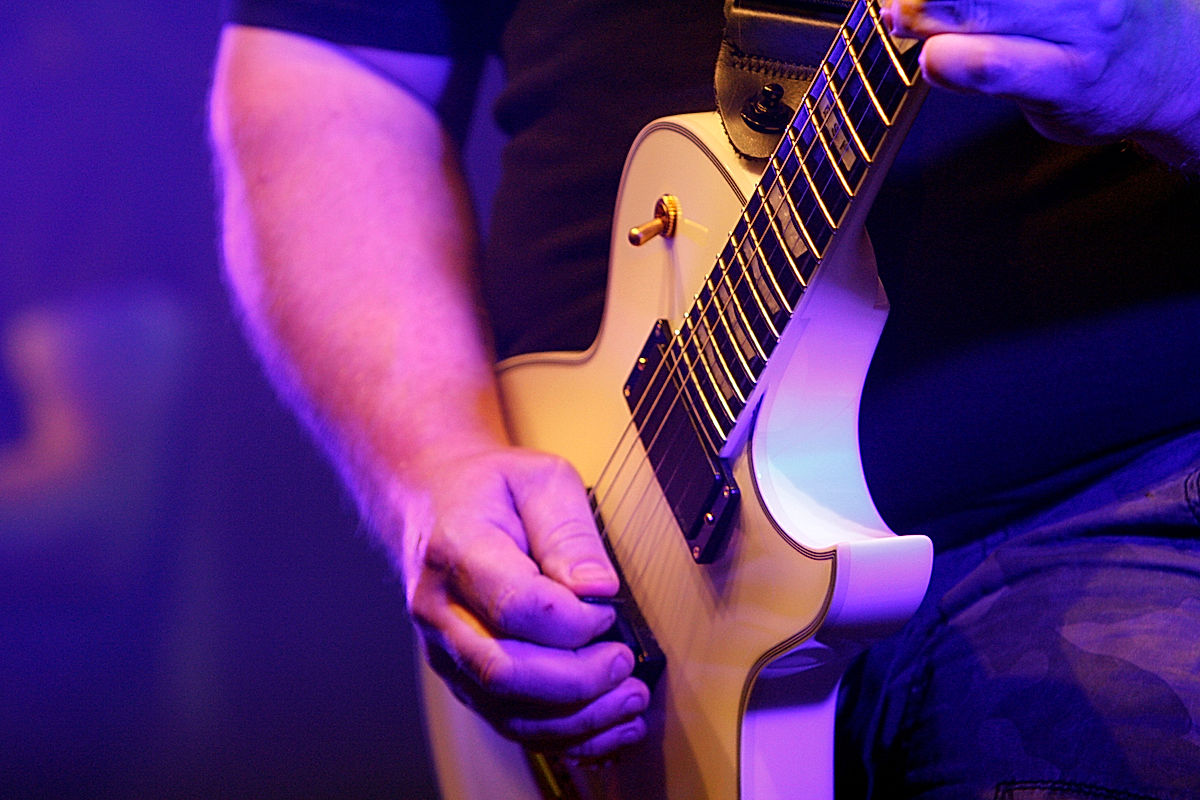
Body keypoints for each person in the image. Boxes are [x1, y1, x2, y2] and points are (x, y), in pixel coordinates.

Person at [209, 1, 1200, 796]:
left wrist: (1176, 61)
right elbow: (334, 67)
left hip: (1113, 498)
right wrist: (434, 465)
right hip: (607, 536)